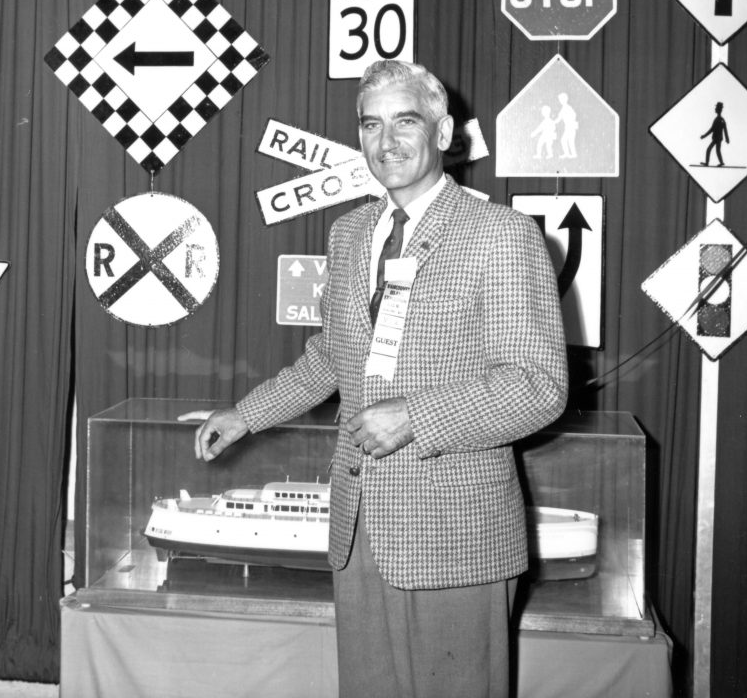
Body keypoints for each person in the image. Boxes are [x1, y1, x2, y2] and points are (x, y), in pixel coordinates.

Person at [194, 59, 567, 698]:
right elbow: (332, 358)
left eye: (406, 121)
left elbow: (538, 386)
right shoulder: (349, 235)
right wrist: (245, 415)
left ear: (445, 133)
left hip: (456, 528)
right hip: (362, 525)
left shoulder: (500, 236)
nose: (386, 141)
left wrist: (416, 416)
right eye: (371, 125)